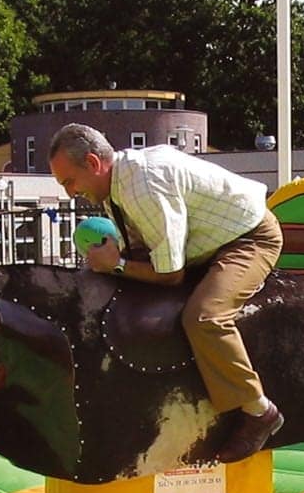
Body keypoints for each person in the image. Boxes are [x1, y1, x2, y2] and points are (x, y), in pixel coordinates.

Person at [48, 123, 285, 462]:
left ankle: (260, 411)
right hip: (208, 240)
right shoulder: (116, 185)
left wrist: (116, 266)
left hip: (248, 238)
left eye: (69, 182)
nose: (70, 193)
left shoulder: (142, 188)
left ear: (93, 163)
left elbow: (170, 275)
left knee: (205, 317)